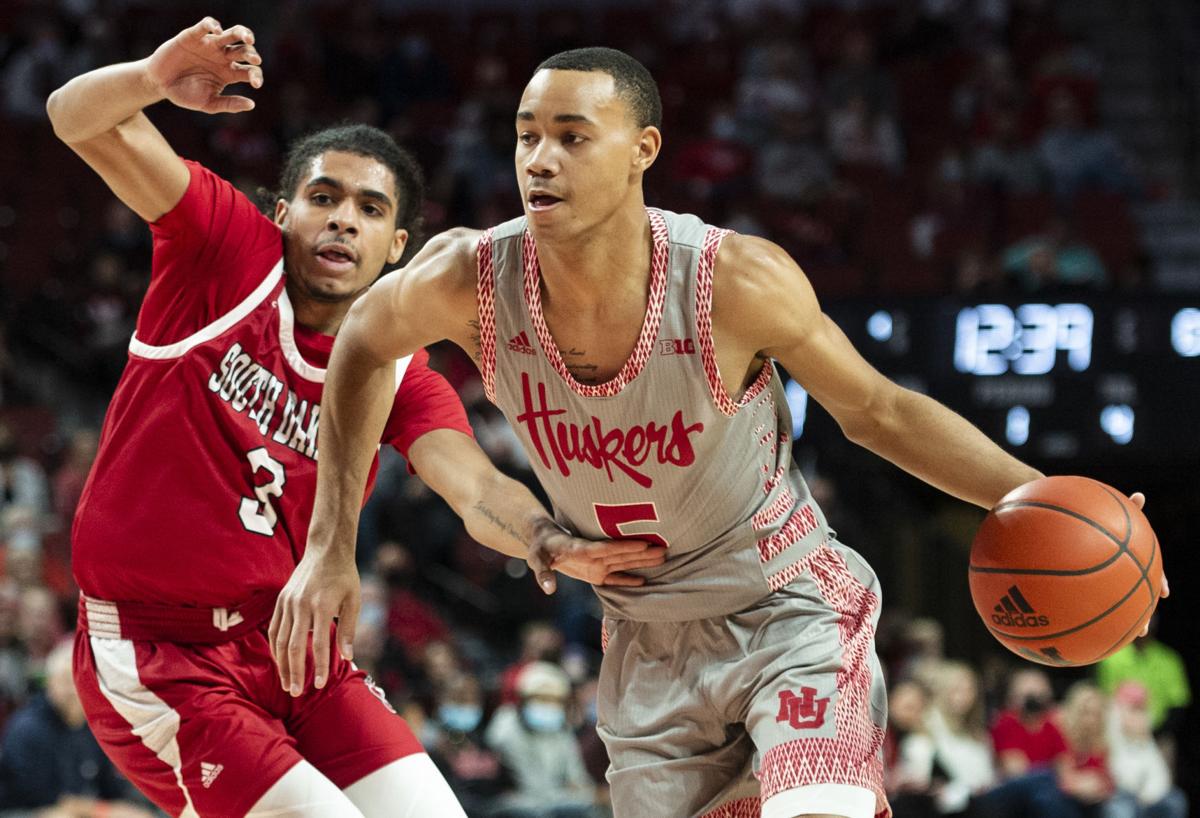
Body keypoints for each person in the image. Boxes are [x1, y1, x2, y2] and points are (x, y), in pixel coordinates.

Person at [281, 47, 1166, 818]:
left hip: (787, 606)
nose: (539, 160)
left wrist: (1033, 497)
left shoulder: (732, 279)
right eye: (526, 134)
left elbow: (878, 410)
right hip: (645, 639)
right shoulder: (469, 277)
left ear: (642, 150)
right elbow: (360, 344)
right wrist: (331, 546)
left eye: (572, 136)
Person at [47, 19, 662, 818]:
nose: (343, 220)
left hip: (296, 648)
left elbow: (472, 486)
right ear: (282, 212)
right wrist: (153, 81)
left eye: (370, 210)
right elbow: (73, 116)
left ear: (397, 247)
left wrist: (549, 540)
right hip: (163, 650)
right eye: (324, 198)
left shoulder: (399, 367)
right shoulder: (225, 251)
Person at [0, 640, 154, 818]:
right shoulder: (27, 729)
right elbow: (48, 799)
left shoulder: (96, 727)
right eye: (65, 681)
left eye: (80, 681)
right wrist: (98, 809)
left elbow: (111, 788)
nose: (74, 690)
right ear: (49, 683)